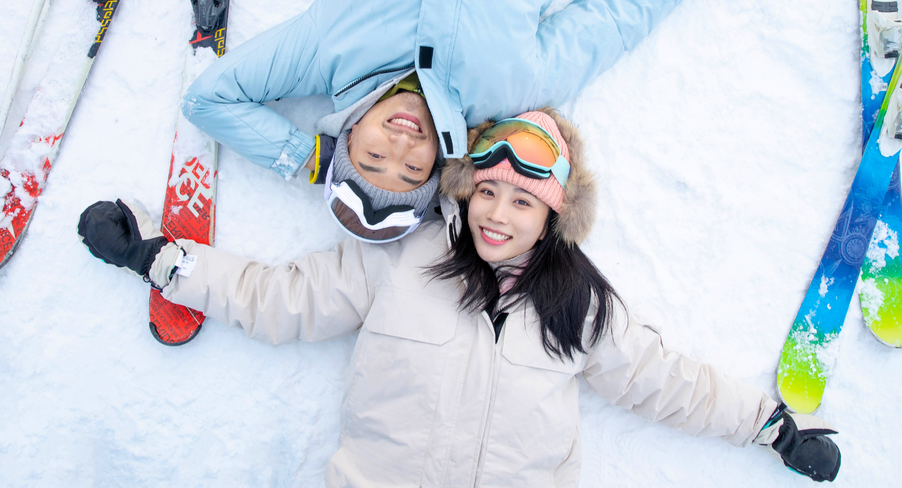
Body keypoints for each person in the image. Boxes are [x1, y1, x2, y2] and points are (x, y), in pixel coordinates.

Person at [78, 108, 841, 485]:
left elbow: (664, 380)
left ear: (554, 214)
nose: (496, 213)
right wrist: (159, 258)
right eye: (488, 190)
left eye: (522, 200)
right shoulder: (401, 257)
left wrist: (770, 427)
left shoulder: (580, 305)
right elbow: (282, 298)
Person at [181, 0, 752, 241]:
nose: (401, 145)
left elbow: (208, 98)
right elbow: (612, 20)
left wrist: (307, 159)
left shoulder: (326, 50)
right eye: (412, 170)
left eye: (373, 155)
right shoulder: (511, 89)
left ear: (346, 137)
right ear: (439, 165)